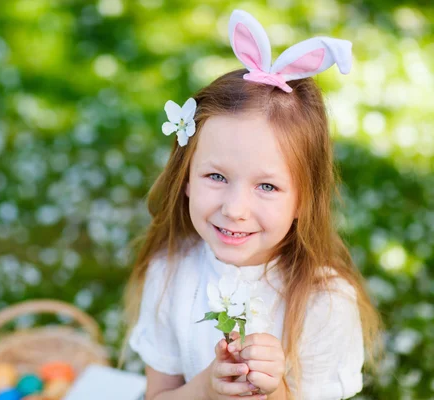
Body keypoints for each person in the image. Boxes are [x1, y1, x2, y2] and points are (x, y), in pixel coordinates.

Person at [122, 9, 383, 400]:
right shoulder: (170, 275)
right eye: (216, 177)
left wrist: (275, 390)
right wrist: (206, 389)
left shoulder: (324, 304)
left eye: (266, 186)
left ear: (303, 201)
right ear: (186, 177)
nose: (235, 208)